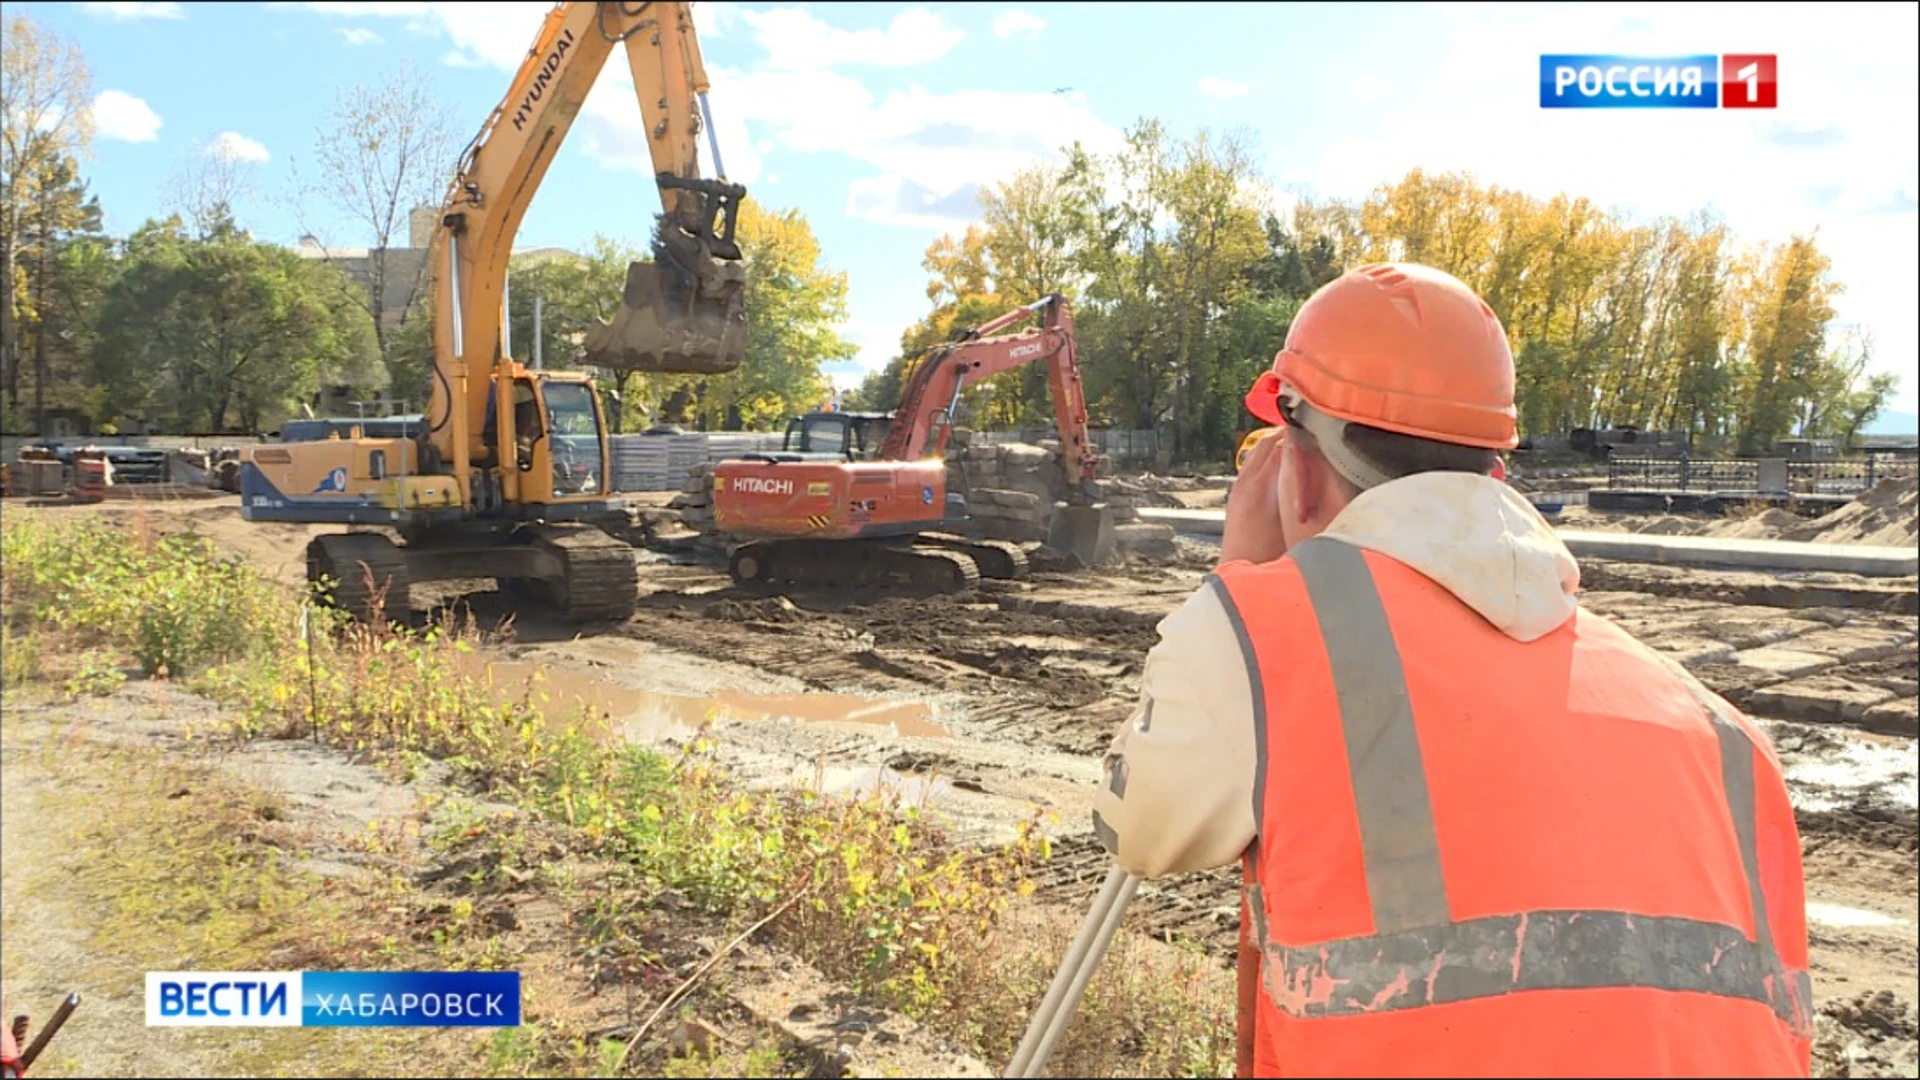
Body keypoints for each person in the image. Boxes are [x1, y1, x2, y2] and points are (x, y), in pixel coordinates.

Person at [1090, 263, 1812, 1077]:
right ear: (1493, 476)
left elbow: (1137, 832)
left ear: (1297, 462)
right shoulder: (1727, 740)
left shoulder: (1264, 636)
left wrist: (1239, 587)